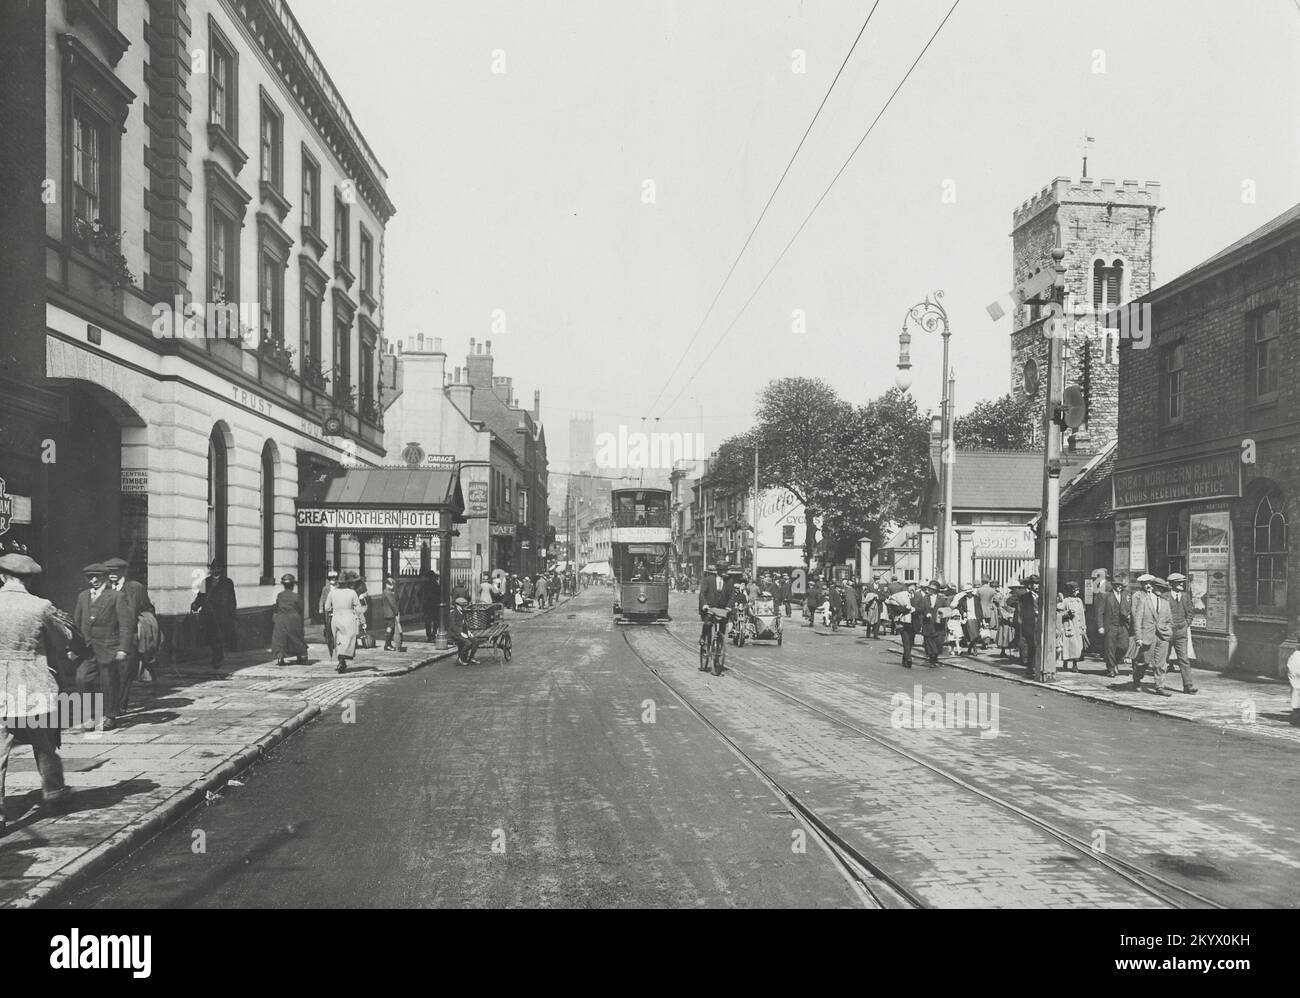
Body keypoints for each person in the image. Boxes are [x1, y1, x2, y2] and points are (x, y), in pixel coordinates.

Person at [0, 553, 74, 834]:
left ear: (2, 576)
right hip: (31, 686)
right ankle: (54, 793)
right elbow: (64, 638)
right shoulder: (40, 606)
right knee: (43, 744)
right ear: (29, 579)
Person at [73, 563, 134, 730]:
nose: (94, 580)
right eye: (90, 577)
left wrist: (123, 648)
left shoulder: (116, 597)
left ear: (105, 578)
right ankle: (89, 715)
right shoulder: (83, 596)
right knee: (81, 678)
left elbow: (126, 625)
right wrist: (71, 648)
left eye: (97, 577)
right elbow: (76, 624)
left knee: (109, 681)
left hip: (109, 647)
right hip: (87, 648)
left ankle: (110, 716)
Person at [104, 557, 156, 711]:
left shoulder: (135, 588)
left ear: (123, 571)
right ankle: (114, 704)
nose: (112, 574)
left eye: (116, 571)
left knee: (126, 673)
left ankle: (120, 704)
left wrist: (142, 623)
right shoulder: (104, 588)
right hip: (108, 638)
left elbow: (148, 608)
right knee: (109, 674)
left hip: (130, 637)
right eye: (109, 571)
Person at [1130, 574, 1173, 696]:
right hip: (1148, 636)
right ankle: (1137, 679)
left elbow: (1170, 620)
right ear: (1153, 587)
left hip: (1162, 636)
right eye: (1158, 588)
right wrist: (1138, 637)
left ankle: (1159, 686)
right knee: (1144, 662)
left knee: (1161, 663)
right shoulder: (1144, 601)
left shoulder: (1165, 603)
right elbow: (1137, 620)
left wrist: (1168, 631)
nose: (1160, 591)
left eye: (1162, 589)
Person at [192, 561, 236, 669]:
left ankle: (217, 657)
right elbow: (200, 596)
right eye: (213, 568)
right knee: (210, 636)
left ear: (221, 569)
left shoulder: (227, 582)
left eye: (217, 568)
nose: (215, 570)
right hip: (208, 614)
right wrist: (195, 605)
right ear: (211, 569)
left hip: (221, 614)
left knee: (218, 636)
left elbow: (232, 599)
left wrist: (231, 613)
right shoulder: (205, 582)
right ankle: (217, 654)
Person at [1164, 572, 1199, 694]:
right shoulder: (1165, 596)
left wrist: (1186, 623)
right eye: (1178, 582)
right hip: (1167, 631)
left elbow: (1190, 612)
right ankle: (1160, 684)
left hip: (1181, 632)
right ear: (1172, 584)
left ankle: (1188, 685)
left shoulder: (1185, 596)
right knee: (1163, 659)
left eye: (1182, 582)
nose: (1181, 584)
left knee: (1184, 659)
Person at [698, 561, 734, 668]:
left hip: (722, 610)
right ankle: (703, 637)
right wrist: (704, 604)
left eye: (725, 570)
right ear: (718, 571)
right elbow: (702, 593)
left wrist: (729, 606)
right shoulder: (708, 580)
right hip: (709, 608)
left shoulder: (729, 581)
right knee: (708, 623)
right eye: (722, 570)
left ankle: (718, 651)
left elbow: (732, 596)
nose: (724, 573)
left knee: (721, 630)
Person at [329, 570, 365, 673]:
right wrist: (363, 621)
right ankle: (343, 660)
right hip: (349, 618)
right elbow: (358, 609)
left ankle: (341, 660)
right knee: (347, 639)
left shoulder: (333, 592)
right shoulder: (352, 593)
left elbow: (327, 606)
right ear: (348, 583)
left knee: (338, 639)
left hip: (335, 618)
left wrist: (332, 610)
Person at [271, 574, 309, 666]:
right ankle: (299, 656)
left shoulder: (280, 595)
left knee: (280, 638)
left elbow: (277, 606)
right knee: (296, 637)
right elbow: (300, 608)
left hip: (281, 619)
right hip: (293, 619)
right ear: (292, 585)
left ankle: (280, 657)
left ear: (284, 585)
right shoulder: (296, 596)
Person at [1095, 576, 1125, 678]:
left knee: (1124, 646)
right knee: (1110, 648)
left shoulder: (1125, 595)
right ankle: (1111, 668)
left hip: (1122, 626)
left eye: (1120, 585)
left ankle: (1115, 662)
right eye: (1117, 585)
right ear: (1113, 586)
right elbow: (1100, 612)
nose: (1119, 587)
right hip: (1110, 625)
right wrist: (1100, 626)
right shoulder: (1106, 596)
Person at [913, 580, 943, 667]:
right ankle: (932, 660)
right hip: (928, 623)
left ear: (936, 590)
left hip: (938, 624)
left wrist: (942, 614)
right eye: (929, 588)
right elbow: (921, 609)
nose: (929, 590)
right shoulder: (925, 598)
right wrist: (926, 614)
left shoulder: (941, 599)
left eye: (932, 589)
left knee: (938, 642)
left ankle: (935, 658)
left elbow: (946, 609)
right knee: (929, 641)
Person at [1058, 583, 1086, 671]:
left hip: (1078, 627)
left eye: (1077, 590)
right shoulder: (1065, 601)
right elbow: (1059, 614)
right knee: (1069, 646)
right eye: (1075, 590)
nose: (1077, 592)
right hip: (1069, 625)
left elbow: (1082, 614)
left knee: (1078, 647)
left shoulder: (1079, 601)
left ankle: (1075, 664)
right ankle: (1066, 662)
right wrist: (1067, 613)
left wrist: (1083, 626)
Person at [1018, 575, 1041, 677]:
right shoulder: (1025, 597)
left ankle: (1038, 666)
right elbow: (1022, 612)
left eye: (1037, 583)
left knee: (1039, 645)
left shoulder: (1042, 596)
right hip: (1030, 624)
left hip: (1040, 624)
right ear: (1030, 585)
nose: (1036, 586)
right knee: (1031, 646)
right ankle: (1030, 667)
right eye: (1034, 584)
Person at [380, 576, 404, 652]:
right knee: (390, 629)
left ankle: (388, 644)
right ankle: (387, 645)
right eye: (392, 584)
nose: (393, 586)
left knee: (390, 628)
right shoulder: (388, 593)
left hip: (387, 613)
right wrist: (396, 612)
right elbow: (393, 603)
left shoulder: (385, 591)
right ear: (389, 584)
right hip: (390, 614)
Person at [319, 569, 339, 654]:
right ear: (328, 579)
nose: (332, 580)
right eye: (331, 578)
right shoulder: (325, 588)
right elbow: (322, 598)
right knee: (328, 626)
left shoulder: (339, 587)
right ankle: (330, 641)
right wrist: (320, 608)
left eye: (334, 578)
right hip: (328, 609)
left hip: (337, 609)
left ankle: (337, 641)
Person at [995, 583, 1018, 656]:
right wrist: (1007, 616)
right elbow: (1001, 607)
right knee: (1005, 634)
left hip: (1016, 617)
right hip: (1007, 618)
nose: (1016, 590)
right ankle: (1003, 650)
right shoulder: (1006, 597)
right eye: (1014, 588)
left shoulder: (1019, 597)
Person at [421, 571, 441, 640]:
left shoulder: (424, 585)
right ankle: (433, 633)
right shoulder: (436, 584)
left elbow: (418, 594)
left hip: (426, 605)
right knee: (436, 620)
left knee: (427, 621)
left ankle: (429, 635)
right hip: (434, 605)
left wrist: (422, 601)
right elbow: (440, 594)